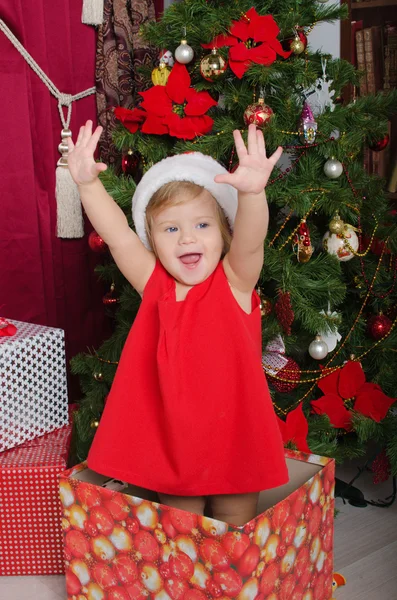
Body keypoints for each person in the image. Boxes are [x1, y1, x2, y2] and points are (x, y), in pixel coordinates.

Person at [67, 120, 289, 526]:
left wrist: (252, 194)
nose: (187, 239)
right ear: (153, 240)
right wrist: (87, 186)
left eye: (202, 225)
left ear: (224, 233)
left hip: (236, 437)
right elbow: (118, 236)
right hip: (174, 446)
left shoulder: (235, 281)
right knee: (183, 537)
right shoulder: (155, 285)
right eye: (171, 229)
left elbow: (252, 240)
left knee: (234, 530)